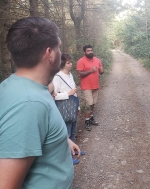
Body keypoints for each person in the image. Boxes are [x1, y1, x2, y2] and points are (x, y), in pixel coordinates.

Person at [0, 17, 80, 189]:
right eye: (59, 47)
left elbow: (33, 132)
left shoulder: (18, 86)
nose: (61, 52)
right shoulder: (29, 104)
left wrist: (62, 141)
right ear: (49, 53)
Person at [77, 45, 104, 131]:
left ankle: (91, 118)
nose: (90, 52)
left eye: (91, 50)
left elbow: (101, 71)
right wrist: (90, 71)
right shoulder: (81, 61)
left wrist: (102, 70)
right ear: (84, 52)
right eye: (88, 51)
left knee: (93, 103)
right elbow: (80, 73)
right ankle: (86, 121)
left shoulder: (97, 60)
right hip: (86, 86)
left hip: (95, 85)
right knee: (89, 104)